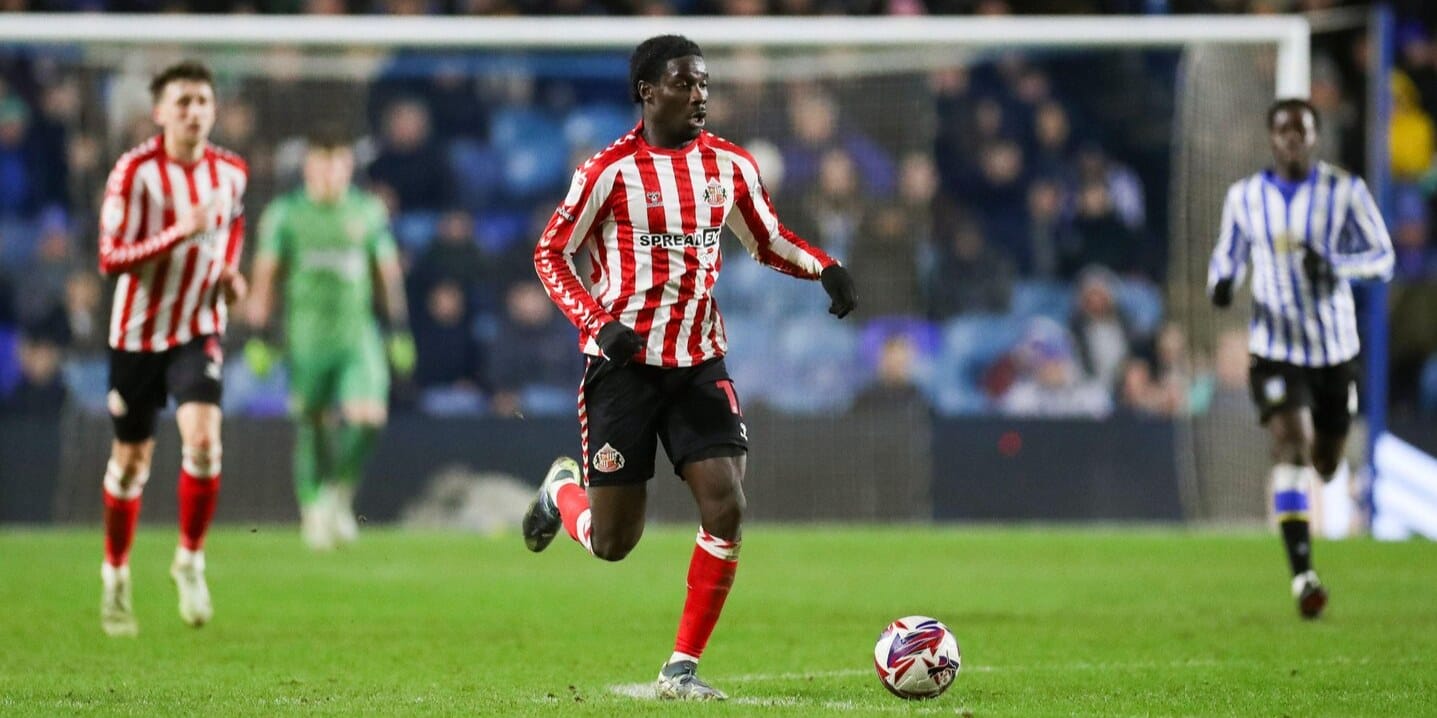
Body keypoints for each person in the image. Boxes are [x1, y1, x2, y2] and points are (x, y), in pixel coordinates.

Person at [522, 35, 856, 701]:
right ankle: (564, 489)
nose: (699, 94)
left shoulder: (728, 166)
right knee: (614, 543)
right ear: (647, 92)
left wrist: (824, 267)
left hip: (699, 360)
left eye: (703, 83)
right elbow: (549, 254)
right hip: (623, 369)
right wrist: (598, 323)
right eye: (684, 83)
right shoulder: (607, 171)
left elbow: (766, 241)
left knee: (726, 503)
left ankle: (680, 669)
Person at [1208, 97, 1393, 620]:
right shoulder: (1245, 197)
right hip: (1273, 349)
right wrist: (1221, 283)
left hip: (1333, 349)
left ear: (1315, 137)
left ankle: (1318, 487)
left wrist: (1335, 264)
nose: (1293, 138)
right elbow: (1228, 253)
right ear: (1271, 137)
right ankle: (1303, 576)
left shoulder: (1345, 191)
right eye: (1284, 130)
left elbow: (1383, 258)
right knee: (1290, 446)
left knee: (1327, 461)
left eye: (1302, 130)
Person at [96, 60, 249, 637]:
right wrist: (177, 232)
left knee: (205, 441)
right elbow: (110, 258)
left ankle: (189, 558)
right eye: (182, 102)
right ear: (159, 112)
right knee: (131, 462)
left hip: (197, 327)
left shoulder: (232, 172)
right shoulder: (133, 173)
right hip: (136, 336)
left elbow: (230, 229)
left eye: (202, 101)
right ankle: (115, 574)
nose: (194, 112)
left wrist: (230, 274)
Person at [245, 127, 415, 551]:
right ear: (308, 166)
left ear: (348, 167)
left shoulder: (367, 211)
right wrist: (261, 333)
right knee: (314, 424)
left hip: (358, 336)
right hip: (306, 339)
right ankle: (314, 507)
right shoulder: (285, 214)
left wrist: (398, 328)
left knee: (368, 418)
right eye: (323, 164)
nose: (331, 174)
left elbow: (387, 273)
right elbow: (266, 275)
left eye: (339, 164)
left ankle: (338, 493)